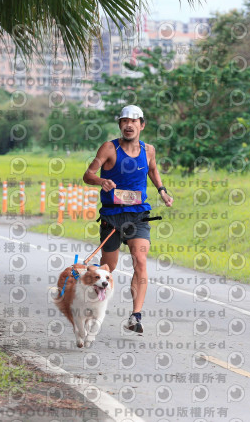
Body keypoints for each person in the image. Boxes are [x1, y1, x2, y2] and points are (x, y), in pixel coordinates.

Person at [83, 105, 173, 334]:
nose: (129, 125)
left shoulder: (149, 150)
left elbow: (152, 170)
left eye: (134, 121)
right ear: (120, 125)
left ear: (142, 125)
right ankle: (90, 302)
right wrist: (100, 181)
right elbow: (88, 174)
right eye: (124, 121)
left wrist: (162, 190)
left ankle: (136, 316)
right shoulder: (109, 148)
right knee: (108, 267)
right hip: (112, 217)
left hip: (139, 215)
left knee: (140, 260)